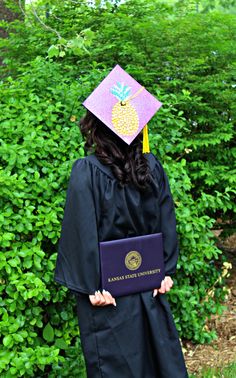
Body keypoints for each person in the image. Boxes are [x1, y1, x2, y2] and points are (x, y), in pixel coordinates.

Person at [54, 65, 189, 377]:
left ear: (96, 127)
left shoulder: (86, 171)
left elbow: (81, 231)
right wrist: (165, 271)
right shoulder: (152, 169)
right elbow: (166, 224)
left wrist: (91, 284)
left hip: (108, 296)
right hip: (148, 285)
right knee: (157, 363)